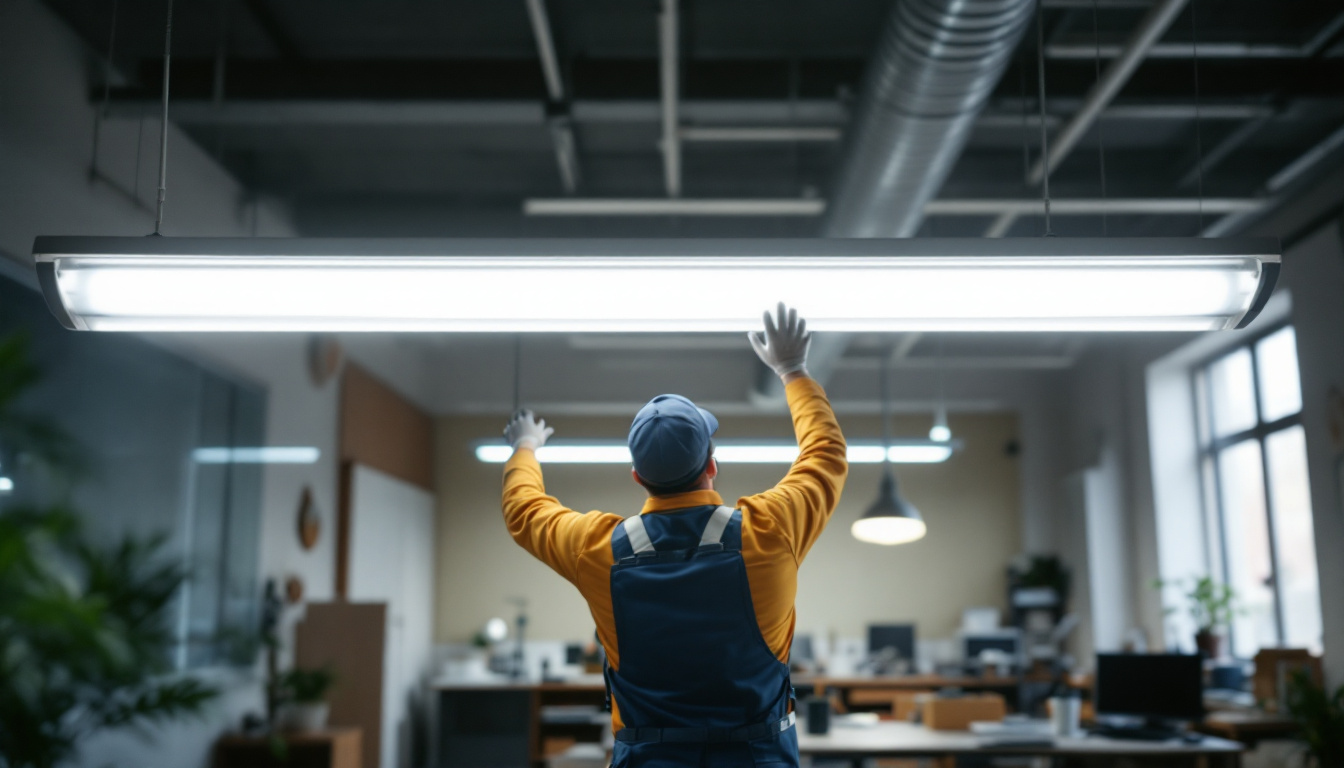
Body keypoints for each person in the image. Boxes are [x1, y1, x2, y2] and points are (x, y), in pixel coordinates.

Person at [500, 303, 848, 767]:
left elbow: (524, 510)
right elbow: (825, 454)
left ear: (637, 477)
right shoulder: (769, 531)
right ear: (711, 465)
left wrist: (526, 448)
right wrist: (792, 370)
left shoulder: (600, 551)